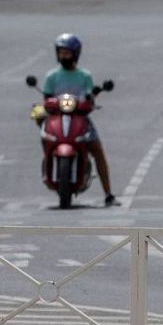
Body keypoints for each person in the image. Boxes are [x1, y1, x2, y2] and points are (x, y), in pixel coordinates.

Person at [42, 33, 115, 205]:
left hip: (80, 118)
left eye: (67, 53)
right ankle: (47, 168)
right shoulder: (51, 76)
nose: (63, 56)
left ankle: (108, 193)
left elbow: (89, 97)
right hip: (56, 118)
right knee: (45, 138)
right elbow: (45, 99)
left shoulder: (84, 76)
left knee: (97, 149)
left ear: (75, 54)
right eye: (61, 53)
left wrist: (92, 97)